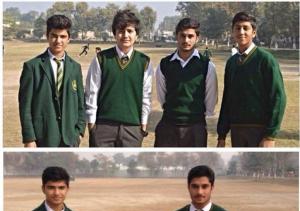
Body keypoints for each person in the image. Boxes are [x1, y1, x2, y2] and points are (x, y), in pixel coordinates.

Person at [217, 12, 286, 147]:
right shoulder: (231, 62)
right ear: (232, 32)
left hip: (260, 130)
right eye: (237, 28)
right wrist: (222, 134)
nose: (241, 32)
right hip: (237, 130)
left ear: (253, 33)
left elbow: (278, 98)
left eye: (245, 28)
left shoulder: (265, 59)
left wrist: (270, 135)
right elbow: (227, 99)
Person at [85, 9, 153, 147]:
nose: (125, 35)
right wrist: (92, 125)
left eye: (130, 31)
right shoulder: (101, 58)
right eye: (121, 31)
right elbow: (92, 92)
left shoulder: (144, 61)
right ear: (114, 33)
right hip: (103, 127)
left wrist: (143, 125)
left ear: (137, 34)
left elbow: (146, 96)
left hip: (132, 129)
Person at [18, 15, 86, 147]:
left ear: (69, 38)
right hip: (43, 137)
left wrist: (79, 132)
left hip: (70, 139)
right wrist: (29, 138)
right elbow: (25, 107)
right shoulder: (32, 67)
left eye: (63, 36)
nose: (58, 41)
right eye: (54, 36)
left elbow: (80, 103)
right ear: (47, 36)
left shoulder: (75, 67)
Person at [155, 18, 218, 147]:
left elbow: (210, 99)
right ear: (176, 36)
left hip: (196, 127)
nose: (186, 40)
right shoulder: (164, 64)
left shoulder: (207, 66)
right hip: (168, 125)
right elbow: (162, 97)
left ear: (197, 38)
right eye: (182, 36)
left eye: (190, 36)